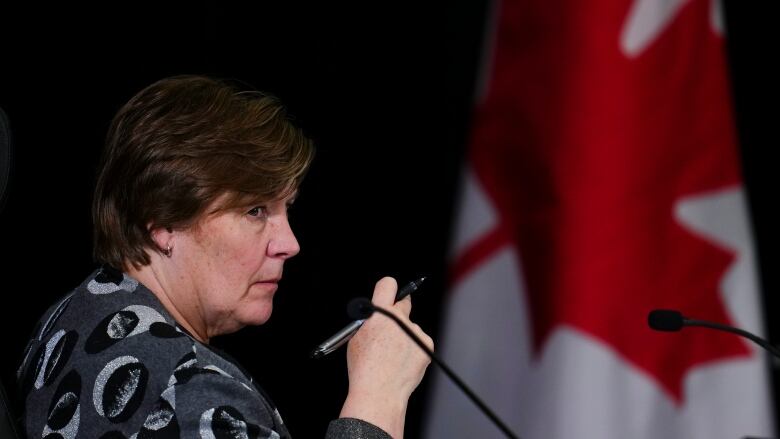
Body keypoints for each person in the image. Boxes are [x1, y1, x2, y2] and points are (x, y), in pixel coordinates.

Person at [16, 75, 433, 438]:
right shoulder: (191, 393)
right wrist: (377, 397)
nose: (290, 243)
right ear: (163, 223)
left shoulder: (76, 309)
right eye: (255, 210)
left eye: (287, 209)